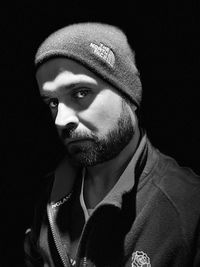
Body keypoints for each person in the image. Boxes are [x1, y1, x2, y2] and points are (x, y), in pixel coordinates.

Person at [24, 22, 200, 267]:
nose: (61, 120)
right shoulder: (49, 192)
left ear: (128, 95)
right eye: (53, 102)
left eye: (81, 93)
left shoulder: (189, 208)